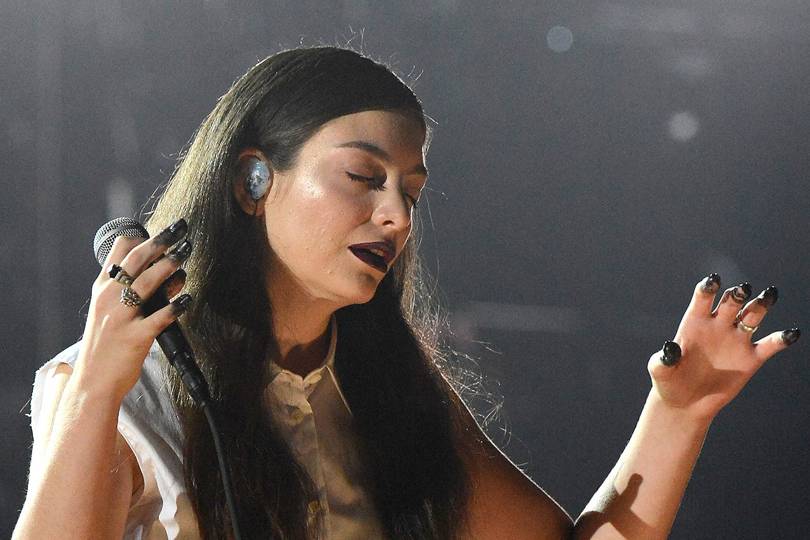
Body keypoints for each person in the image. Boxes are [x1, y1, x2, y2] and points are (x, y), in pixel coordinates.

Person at [13, 46, 801, 540]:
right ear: (253, 179)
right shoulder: (110, 390)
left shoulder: (389, 392)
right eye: (362, 177)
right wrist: (96, 390)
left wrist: (677, 414)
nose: (394, 215)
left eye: (410, 193)